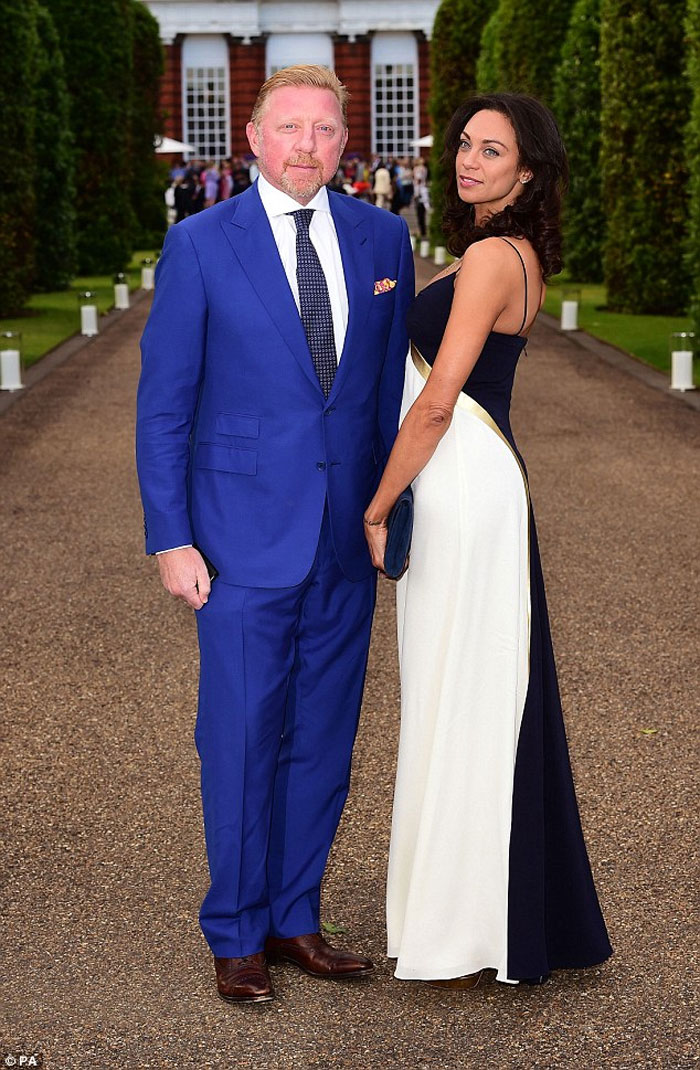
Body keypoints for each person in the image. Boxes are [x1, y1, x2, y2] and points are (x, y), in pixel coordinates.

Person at [136, 65, 414, 1005]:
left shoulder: (383, 237)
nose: (306, 145)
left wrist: (389, 513)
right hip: (236, 542)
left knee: (325, 740)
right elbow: (165, 406)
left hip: (344, 541)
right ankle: (236, 930)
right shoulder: (200, 243)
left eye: (324, 129)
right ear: (254, 138)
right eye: (288, 126)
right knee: (242, 737)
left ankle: (296, 919)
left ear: (344, 144)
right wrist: (171, 537)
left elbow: (384, 395)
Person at [363, 92, 612, 987]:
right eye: (466, 144)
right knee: (473, 692)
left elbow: (437, 402)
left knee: (458, 695)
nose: (469, 160)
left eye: (492, 150)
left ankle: (464, 926)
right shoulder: (518, 255)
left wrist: (377, 506)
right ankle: (477, 915)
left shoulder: (488, 257)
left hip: (459, 482)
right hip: (483, 481)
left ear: (528, 172)